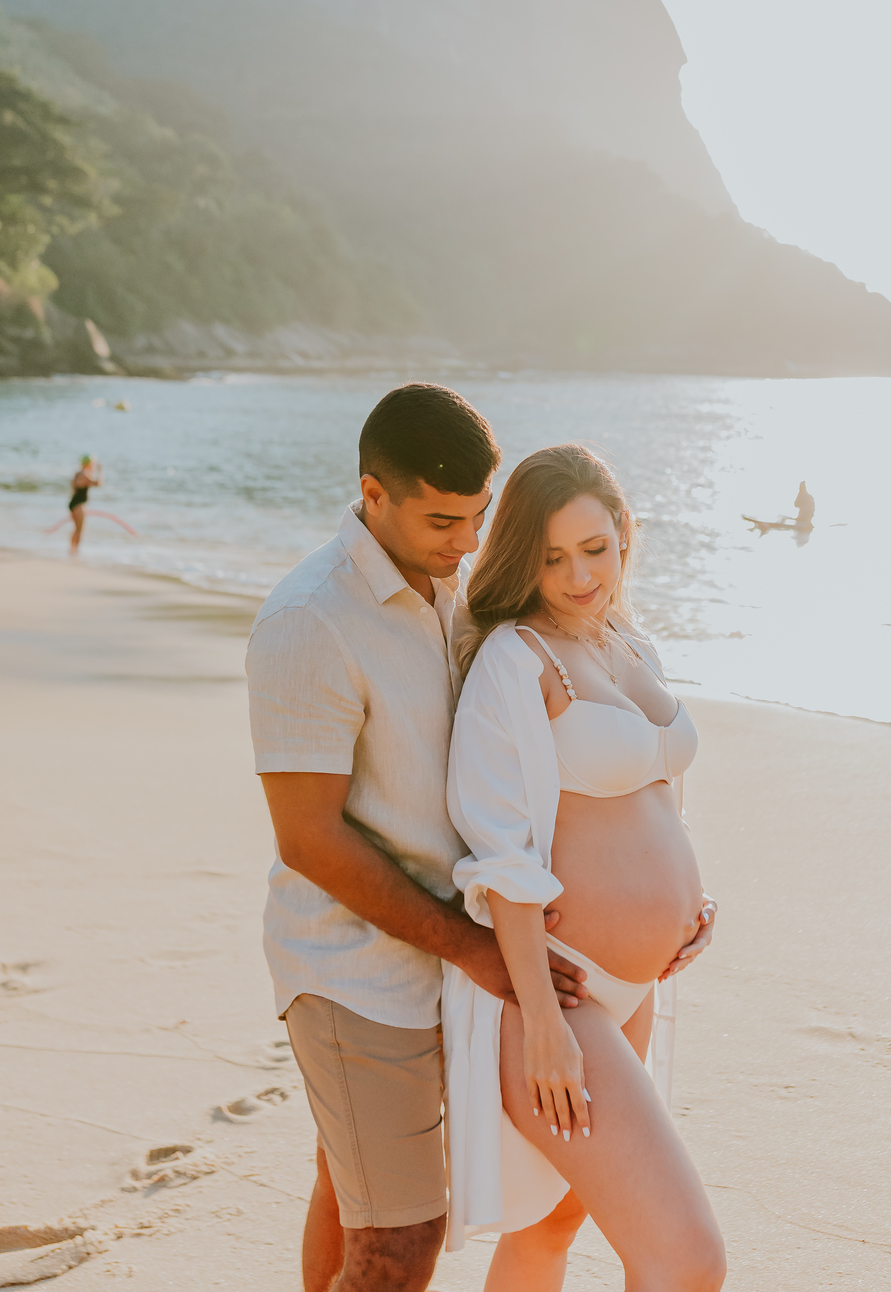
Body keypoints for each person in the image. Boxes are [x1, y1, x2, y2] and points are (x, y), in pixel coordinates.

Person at [246, 385, 597, 1292]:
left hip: (448, 957)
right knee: (404, 1238)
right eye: (445, 520)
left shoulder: (454, 587)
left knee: (348, 1183)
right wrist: (476, 951)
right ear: (373, 494)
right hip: (354, 972)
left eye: (480, 516)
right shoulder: (306, 622)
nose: (469, 542)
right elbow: (309, 840)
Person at [444, 444, 725, 1291]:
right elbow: (499, 854)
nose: (576, 575)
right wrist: (542, 1023)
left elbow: (647, 792)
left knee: (556, 1222)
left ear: (624, 535)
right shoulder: (514, 661)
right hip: (557, 998)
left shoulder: (627, 643)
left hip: (634, 989)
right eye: (552, 556)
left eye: (594, 550)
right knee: (686, 1262)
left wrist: (690, 901)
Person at [67, 455, 102, 554]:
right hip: (79, 504)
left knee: (76, 529)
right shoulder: (84, 474)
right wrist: (100, 471)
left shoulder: (77, 474)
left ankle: (72, 550)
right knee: (79, 530)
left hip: (74, 503)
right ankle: (75, 551)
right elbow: (98, 483)